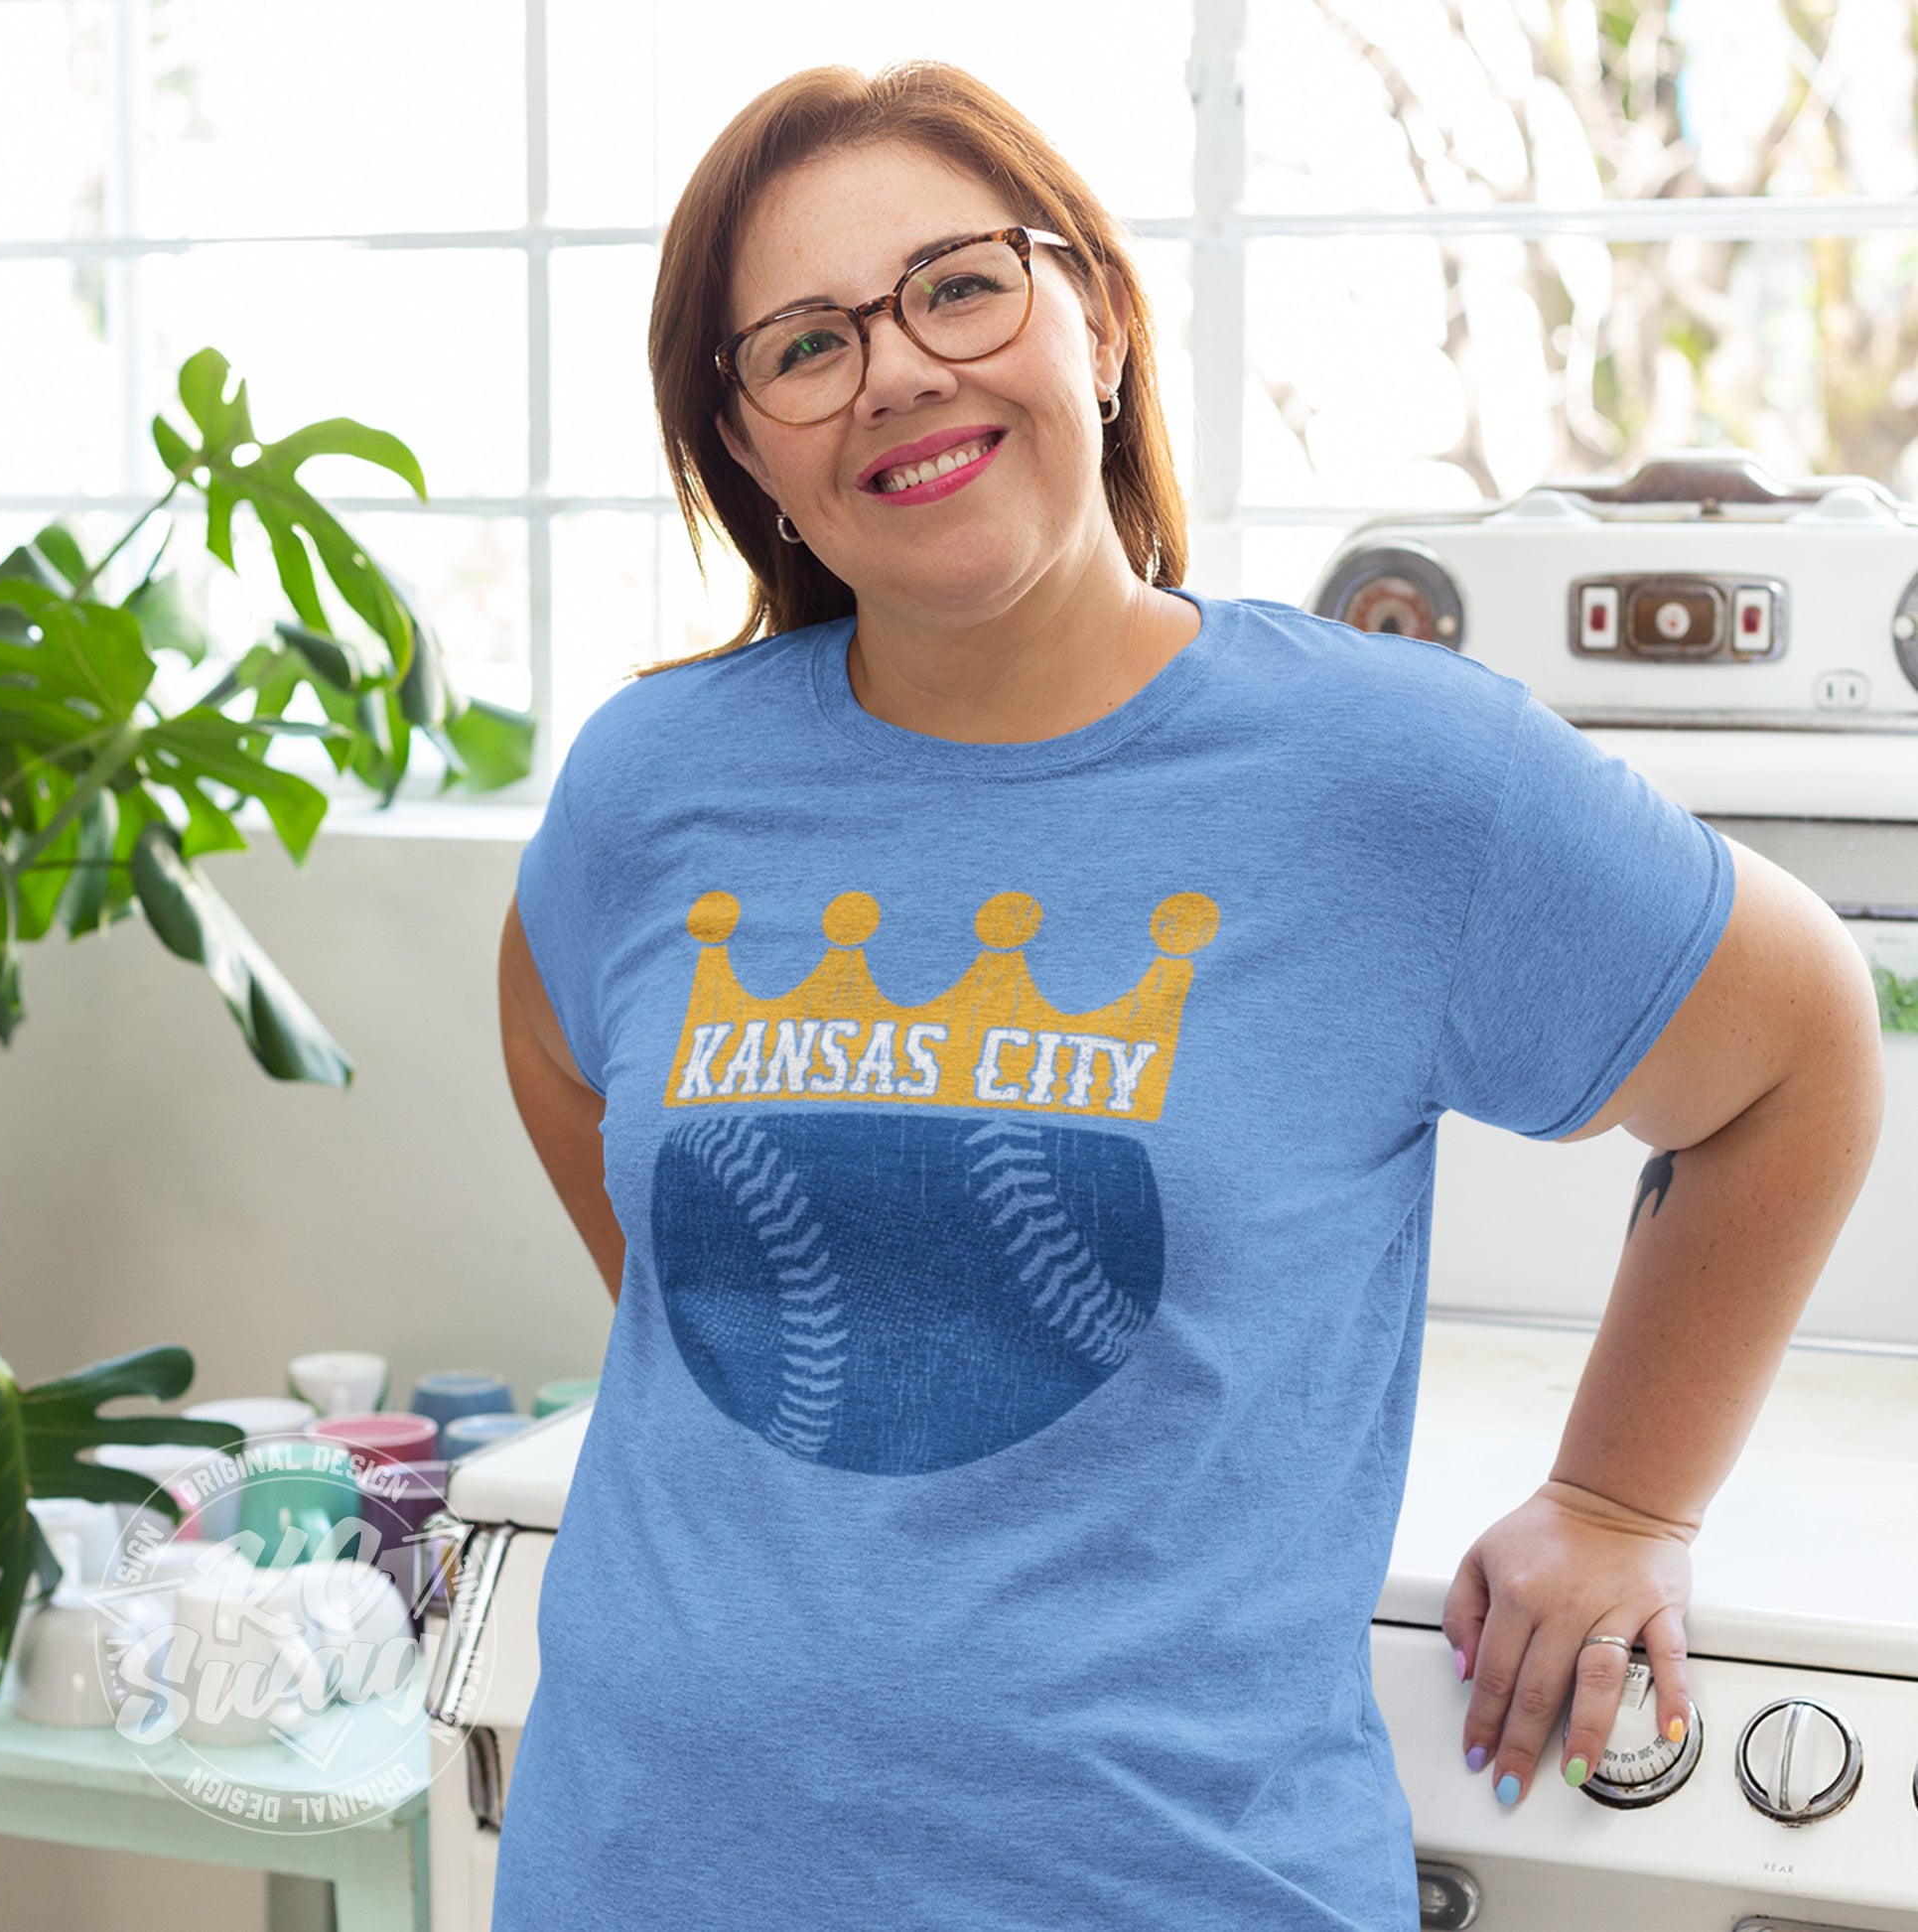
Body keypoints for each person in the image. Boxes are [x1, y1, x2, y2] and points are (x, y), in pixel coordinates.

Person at [492, 60, 1884, 1932]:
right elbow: (552, 1034)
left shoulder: (1395, 778)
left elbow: (1800, 1055)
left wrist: (1623, 1502)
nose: (895, 369)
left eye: (958, 286)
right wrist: (739, 1343)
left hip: (1170, 1878)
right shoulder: (653, 778)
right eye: (805, 345)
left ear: (1100, 326)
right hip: (644, 1861)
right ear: (748, 452)